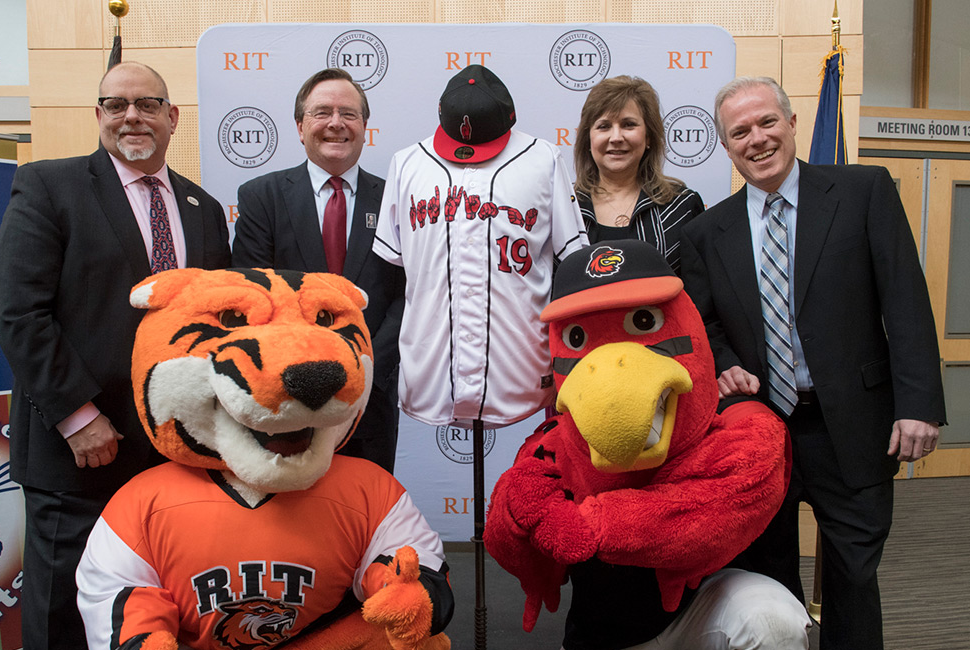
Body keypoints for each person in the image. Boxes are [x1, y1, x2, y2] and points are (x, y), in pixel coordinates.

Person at [679, 76, 946, 650]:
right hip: (759, 433)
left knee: (854, 580)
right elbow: (700, 326)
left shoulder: (863, 193)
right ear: (725, 148)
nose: (758, 139)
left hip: (853, 425)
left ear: (793, 122)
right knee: (767, 580)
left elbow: (904, 300)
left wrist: (919, 403)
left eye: (767, 122)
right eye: (740, 132)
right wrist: (729, 368)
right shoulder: (707, 232)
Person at [0, 61, 231, 650]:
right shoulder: (49, 185)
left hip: (175, 457)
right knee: (59, 626)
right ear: (97, 115)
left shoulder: (203, 211)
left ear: (172, 117)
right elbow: (18, 311)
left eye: (149, 103)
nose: (133, 116)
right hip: (80, 454)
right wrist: (76, 414)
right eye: (116, 104)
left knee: (163, 618)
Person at [373, 64, 587, 429]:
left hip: (519, 370)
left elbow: (571, 257)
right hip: (429, 372)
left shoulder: (544, 158)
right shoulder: (406, 163)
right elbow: (390, 268)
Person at [232, 68, 403, 473]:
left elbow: (407, 293)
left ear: (364, 126)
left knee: (364, 519)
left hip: (370, 398)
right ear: (300, 126)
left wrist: (365, 368)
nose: (335, 123)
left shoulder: (396, 197)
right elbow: (253, 296)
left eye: (349, 113)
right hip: (286, 398)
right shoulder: (261, 198)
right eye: (322, 112)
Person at [573, 75, 705, 274]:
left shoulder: (681, 207)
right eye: (604, 126)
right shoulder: (566, 207)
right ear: (588, 140)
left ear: (649, 136)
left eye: (628, 124)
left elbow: (697, 293)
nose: (616, 137)